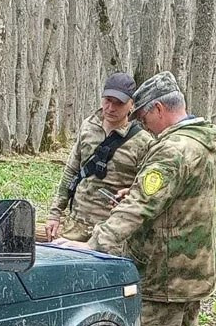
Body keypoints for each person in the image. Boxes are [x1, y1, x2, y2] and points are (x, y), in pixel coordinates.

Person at [55, 71, 216, 326]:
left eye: (145, 116)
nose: (143, 124)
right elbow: (169, 196)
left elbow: (141, 206)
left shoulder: (171, 149)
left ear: (160, 109)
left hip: (165, 271)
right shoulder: (200, 144)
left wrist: (97, 242)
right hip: (194, 268)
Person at [46, 72, 154, 242]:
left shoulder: (143, 141)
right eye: (108, 100)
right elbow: (71, 171)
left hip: (112, 232)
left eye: (119, 103)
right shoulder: (89, 126)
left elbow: (145, 191)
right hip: (76, 224)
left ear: (131, 105)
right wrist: (55, 213)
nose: (111, 108)